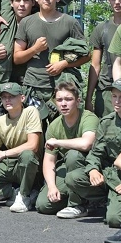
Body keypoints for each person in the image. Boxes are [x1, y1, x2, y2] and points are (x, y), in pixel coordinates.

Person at [67, 78, 121, 226]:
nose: (116, 101)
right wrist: (93, 169)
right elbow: (96, 152)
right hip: (111, 175)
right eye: (114, 96)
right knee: (73, 178)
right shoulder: (106, 122)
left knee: (114, 220)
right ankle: (105, 200)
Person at [14, 0, 88, 121]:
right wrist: (34, 49)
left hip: (62, 87)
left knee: (62, 130)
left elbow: (86, 55)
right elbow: (17, 58)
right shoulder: (27, 22)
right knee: (35, 132)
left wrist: (64, 64)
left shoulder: (70, 22)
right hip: (34, 86)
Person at [34, 82, 98, 217]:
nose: (63, 104)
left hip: (90, 168)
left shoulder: (89, 118)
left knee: (73, 155)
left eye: (68, 99)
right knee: (44, 205)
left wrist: (58, 142)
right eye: (59, 100)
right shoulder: (54, 126)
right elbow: (49, 160)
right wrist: (51, 186)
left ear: (78, 101)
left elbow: (86, 144)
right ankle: (80, 199)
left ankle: (79, 205)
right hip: (67, 168)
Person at [0, 82, 42, 213]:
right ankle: (14, 193)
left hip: (31, 165)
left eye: (11, 96)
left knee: (27, 155)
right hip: (11, 165)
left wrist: (4, 154)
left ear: (22, 98)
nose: (7, 100)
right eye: (4, 97)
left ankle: (24, 196)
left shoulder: (30, 112)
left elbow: (33, 146)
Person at [86, 0, 121, 116]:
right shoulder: (102, 28)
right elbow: (95, 65)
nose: (117, 2)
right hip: (106, 90)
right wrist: (89, 98)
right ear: (108, 0)